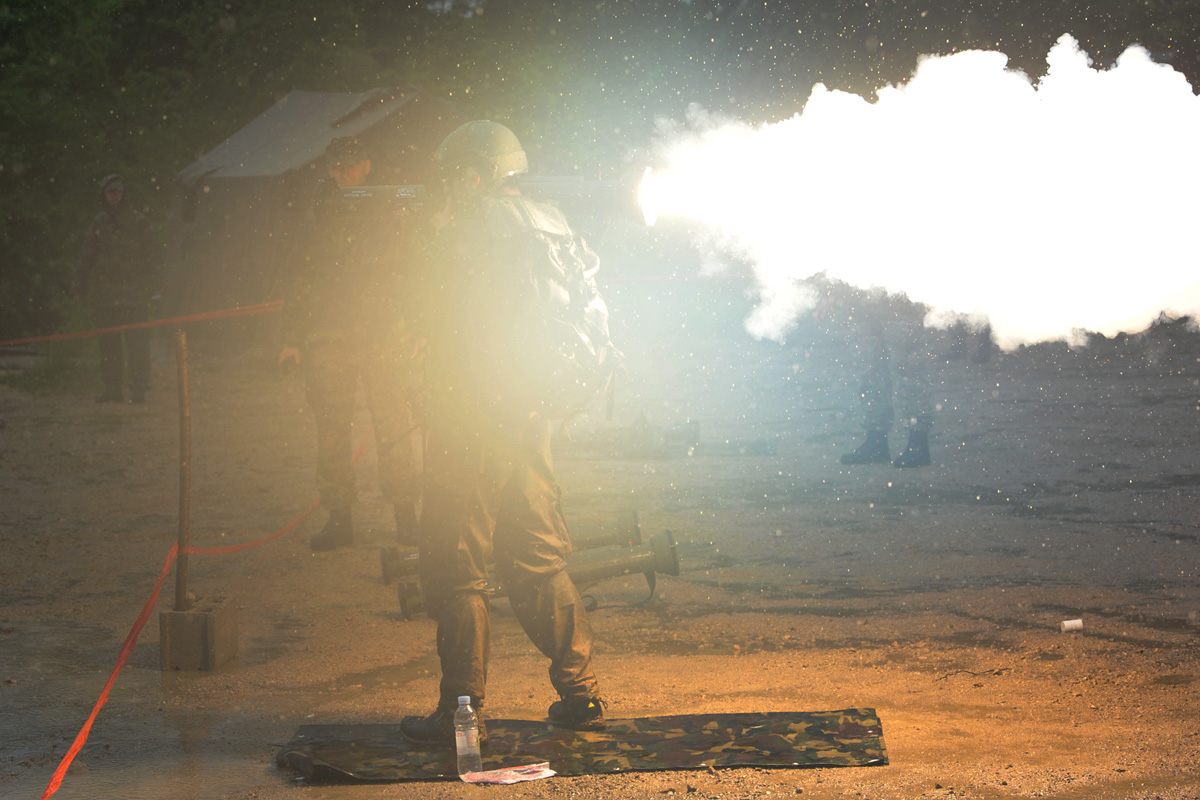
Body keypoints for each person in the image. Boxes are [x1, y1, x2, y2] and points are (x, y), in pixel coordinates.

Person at [399, 121, 607, 747]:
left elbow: (422, 309)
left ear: (474, 173)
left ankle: (462, 714)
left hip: (471, 418)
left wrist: (426, 230)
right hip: (531, 416)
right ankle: (581, 694)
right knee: (538, 556)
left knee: (457, 565)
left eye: (454, 175)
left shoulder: (461, 233)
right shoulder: (554, 225)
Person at [278, 136, 422, 552]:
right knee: (332, 429)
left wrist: (418, 323)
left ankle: (406, 516)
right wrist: (291, 337)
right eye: (338, 167)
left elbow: (414, 269)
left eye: (352, 166)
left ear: (367, 165)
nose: (344, 174)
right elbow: (300, 274)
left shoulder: (391, 208)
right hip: (330, 333)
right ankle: (339, 518)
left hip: (382, 331)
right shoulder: (319, 213)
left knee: (394, 425)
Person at [75, 173, 156, 403]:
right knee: (108, 345)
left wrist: (155, 284)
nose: (114, 196)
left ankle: (138, 390)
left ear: (124, 193)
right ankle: (113, 389)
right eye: (110, 192)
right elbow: (87, 255)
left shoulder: (139, 221)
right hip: (106, 296)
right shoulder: (99, 222)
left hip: (134, 295)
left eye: (118, 192)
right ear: (104, 195)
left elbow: (153, 255)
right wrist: (79, 284)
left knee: (138, 344)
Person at [837, 289, 936, 468]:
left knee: (909, 370)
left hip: (900, 301)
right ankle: (876, 440)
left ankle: (918, 442)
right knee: (871, 370)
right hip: (865, 301)